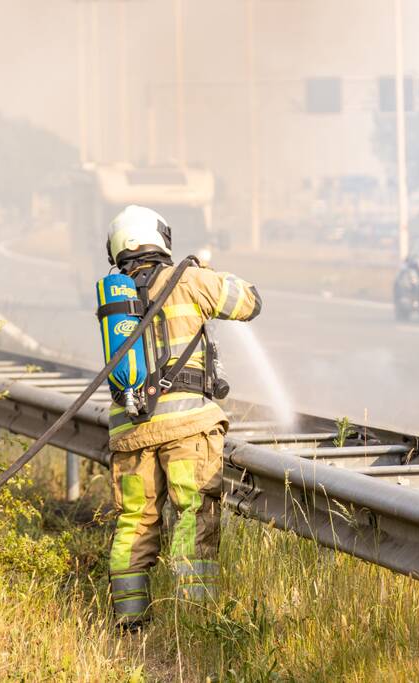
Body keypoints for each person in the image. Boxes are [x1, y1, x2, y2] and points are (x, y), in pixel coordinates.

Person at [103, 205, 262, 631]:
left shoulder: (114, 298)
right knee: (193, 516)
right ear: (160, 239)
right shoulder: (188, 279)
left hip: (130, 432)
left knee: (134, 521)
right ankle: (195, 620)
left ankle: (130, 620)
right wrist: (206, 270)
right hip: (188, 427)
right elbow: (250, 302)